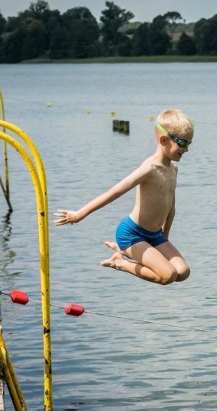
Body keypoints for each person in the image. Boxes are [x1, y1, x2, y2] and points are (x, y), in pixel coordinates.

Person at [54, 109, 194, 285]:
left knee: (182, 272)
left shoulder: (174, 170)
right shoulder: (149, 169)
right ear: (163, 140)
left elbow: (171, 210)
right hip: (132, 234)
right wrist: (79, 214)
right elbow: (113, 193)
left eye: (189, 144)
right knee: (167, 276)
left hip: (155, 235)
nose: (186, 149)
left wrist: (164, 238)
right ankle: (120, 262)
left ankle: (126, 252)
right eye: (182, 143)